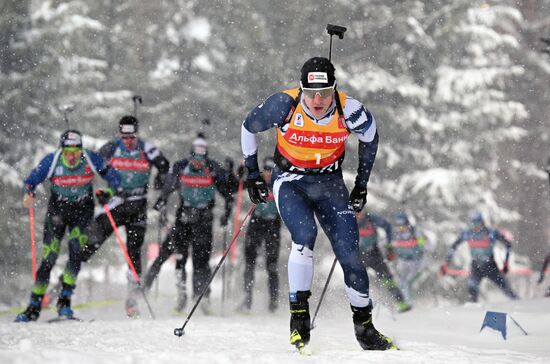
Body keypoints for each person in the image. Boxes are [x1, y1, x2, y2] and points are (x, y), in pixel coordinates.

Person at [240, 56, 396, 351]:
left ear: (334, 89)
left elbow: (371, 139)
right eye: (310, 93)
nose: (317, 100)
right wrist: (252, 174)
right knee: (305, 236)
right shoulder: (283, 104)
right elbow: (249, 127)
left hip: (329, 184)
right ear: (300, 90)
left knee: (350, 251)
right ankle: (299, 318)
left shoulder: (351, 110)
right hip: (290, 181)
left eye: (324, 93)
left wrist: (361, 185)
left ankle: (365, 328)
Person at [15, 130, 121, 322]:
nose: (72, 157)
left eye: (76, 153)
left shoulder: (90, 158)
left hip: (82, 210)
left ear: (81, 150)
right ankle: (33, 306)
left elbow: (115, 177)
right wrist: (28, 194)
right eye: (67, 153)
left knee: (76, 254)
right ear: (61, 150)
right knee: (49, 258)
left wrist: (108, 192)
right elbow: (31, 181)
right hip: (58, 210)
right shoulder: (52, 161)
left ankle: (65, 302)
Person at [80, 115, 169, 317]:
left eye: (132, 137)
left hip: (138, 205)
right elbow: (90, 166)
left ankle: (132, 299)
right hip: (116, 203)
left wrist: (160, 181)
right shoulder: (112, 147)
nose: (128, 141)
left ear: (137, 134)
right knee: (91, 240)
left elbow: (165, 166)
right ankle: (63, 285)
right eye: (124, 137)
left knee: (134, 252)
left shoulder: (147, 148)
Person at [143, 134, 234, 313]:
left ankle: (203, 296)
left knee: (201, 260)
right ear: (190, 155)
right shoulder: (181, 167)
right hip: (183, 217)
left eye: (201, 159)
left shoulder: (213, 168)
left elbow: (227, 193)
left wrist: (227, 213)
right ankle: (179, 294)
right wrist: (161, 201)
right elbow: (168, 186)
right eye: (195, 159)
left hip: (204, 218)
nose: (198, 163)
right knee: (178, 256)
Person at [441, 211, 519, 302]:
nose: (475, 226)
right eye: (473, 223)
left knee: (508, 291)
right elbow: (453, 247)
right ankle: (472, 313)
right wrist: (446, 263)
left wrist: (506, 263)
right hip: (476, 267)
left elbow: (508, 245)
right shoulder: (468, 233)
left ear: (482, 223)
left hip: (491, 266)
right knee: (472, 294)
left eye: (477, 223)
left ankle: (520, 307)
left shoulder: (491, 233)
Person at [239, 157, 282, 313]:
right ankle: (247, 299)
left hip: (273, 224)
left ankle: (273, 302)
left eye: (271, 170)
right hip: (256, 222)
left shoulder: (279, 183)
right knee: (249, 261)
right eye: (266, 170)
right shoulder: (258, 182)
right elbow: (239, 185)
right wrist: (239, 176)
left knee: (271, 265)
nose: (268, 173)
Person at [356, 211, 411, 312]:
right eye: (355, 212)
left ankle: (401, 303)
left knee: (387, 278)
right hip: (358, 254)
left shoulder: (370, 218)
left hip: (374, 252)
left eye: (359, 211)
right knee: (357, 281)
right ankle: (360, 307)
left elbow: (388, 227)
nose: (358, 215)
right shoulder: (348, 220)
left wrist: (389, 247)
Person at [390, 212, 425, 307]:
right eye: (398, 226)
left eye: (403, 226)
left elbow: (422, 243)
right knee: (400, 282)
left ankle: (410, 302)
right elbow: (391, 244)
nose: (401, 228)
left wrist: (417, 243)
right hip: (403, 261)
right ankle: (403, 302)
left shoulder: (415, 232)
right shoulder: (396, 234)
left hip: (416, 261)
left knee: (408, 282)